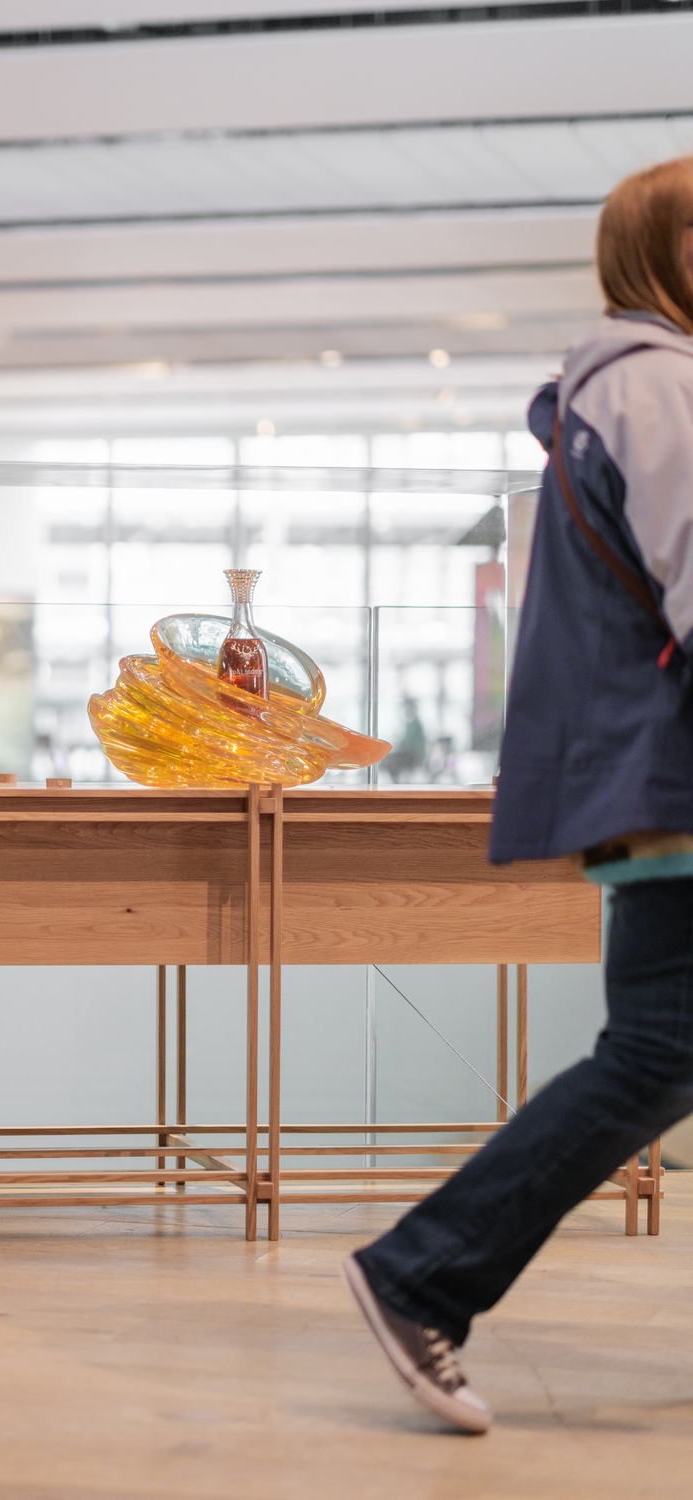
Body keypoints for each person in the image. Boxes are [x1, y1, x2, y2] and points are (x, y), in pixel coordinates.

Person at [342, 154, 693, 1434]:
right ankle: (422, 1269)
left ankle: (426, 1268)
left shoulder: (628, 386)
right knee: (661, 1048)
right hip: (672, 782)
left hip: (651, 775)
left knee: (666, 1046)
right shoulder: (659, 386)